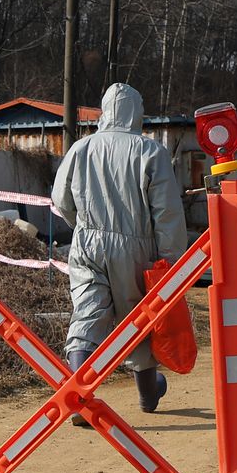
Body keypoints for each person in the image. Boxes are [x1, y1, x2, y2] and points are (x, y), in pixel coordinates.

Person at [51, 83, 187, 414]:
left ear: (105, 112)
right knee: (138, 320)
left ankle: (79, 403)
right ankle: (148, 396)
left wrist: (83, 225)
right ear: (137, 113)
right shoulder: (151, 152)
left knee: (87, 315)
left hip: (87, 244)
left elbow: (61, 200)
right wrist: (169, 261)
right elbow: (167, 214)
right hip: (136, 248)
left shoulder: (81, 148)